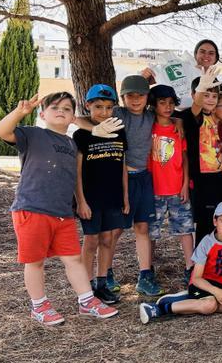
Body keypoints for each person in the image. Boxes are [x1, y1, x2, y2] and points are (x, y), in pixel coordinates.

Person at [0, 92, 118, 325]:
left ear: (73, 116)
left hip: (63, 214)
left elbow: (73, 177)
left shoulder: (72, 143)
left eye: (67, 108)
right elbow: (2, 131)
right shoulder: (32, 134)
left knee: (73, 259)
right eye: (54, 107)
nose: (60, 110)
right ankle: (39, 306)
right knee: (35, 261)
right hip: (32, 208)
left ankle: (86, 301)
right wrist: (20, 113)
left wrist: (79, 202)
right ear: (42, 114)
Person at [75, 74, 162, 296]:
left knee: (142, 227)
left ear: (147, 98)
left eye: (140, 95)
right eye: (130, 96)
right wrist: (93, 130)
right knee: (112, 232)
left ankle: (144, 275)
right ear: (122, 99)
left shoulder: (151, 116)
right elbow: (77, 119)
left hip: (142, 178)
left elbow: (172, 115)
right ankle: (105, 275)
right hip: (118, 180)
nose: (135, 100)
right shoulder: (118, 115)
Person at [138, 201, 222, 323]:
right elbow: (196, 278)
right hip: (203, 283)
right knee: (209, 305)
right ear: (215, 221)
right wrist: (215, 291)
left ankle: (190, 300)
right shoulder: (206, 243)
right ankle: (160, 308)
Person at [73, 84, 128, 305]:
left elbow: (122, 164)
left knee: (108, 239)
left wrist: (125, 196)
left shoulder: (118, 130)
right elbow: (77, 171)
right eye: (98, 107)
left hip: (113, 195)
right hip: (91, 197)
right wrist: (81, 201)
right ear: (88, 105)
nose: (104, 113)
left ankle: (102, 283)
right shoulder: (81, 134)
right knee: (91, 240)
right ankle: (85, 288)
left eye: (108, 107)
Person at [181, 66, 222, 245]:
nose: (210, 100)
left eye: (214, 96)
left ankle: (219, 258)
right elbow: (196, 107)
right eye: (206, 95)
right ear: (195, 94)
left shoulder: (215, 117)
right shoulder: (192, 117)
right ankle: (200, 266)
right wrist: (201, 89)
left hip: (220, 176)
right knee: (205, 224)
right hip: (202, 179)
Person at [147, 85, 195, 284]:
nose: (167, 107)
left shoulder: (178, 127)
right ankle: (147, 269)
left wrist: (185, 184)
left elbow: (184, 158)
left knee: (185, 229)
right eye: (162, 103)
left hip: (176, 188)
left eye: (171, 103)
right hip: (153, 189)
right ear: (153, 104)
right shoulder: (147, 126)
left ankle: (190, 267)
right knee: (151, 232)